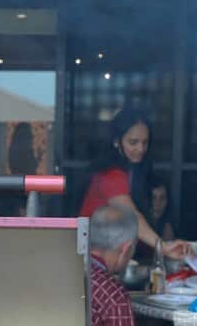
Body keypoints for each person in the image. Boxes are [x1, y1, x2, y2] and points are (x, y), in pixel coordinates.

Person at [79, 108, 186, 258]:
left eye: (145, 142)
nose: (140, 149)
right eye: (133, 142)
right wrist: (163, 247)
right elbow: (132, 216)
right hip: (91, 256)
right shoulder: (110, 174)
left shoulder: (135, 170)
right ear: (117, 141)